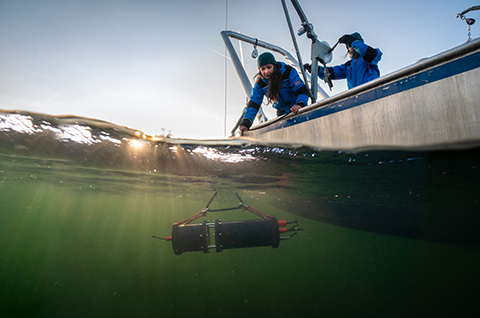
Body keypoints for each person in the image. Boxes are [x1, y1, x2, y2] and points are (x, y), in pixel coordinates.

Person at [239, 52, 309, 132]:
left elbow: (300, 88)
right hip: (282, 113)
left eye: (269, 67)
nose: (266, 71)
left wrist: (300, 103)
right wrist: (246, 122)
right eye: (263, 69)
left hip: (298, 108)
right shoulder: (260, 84)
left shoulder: (287, 71)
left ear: (274, 66)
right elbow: (254, 102)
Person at [305, 32, 382, 90]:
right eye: (348, 46)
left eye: (350, 45)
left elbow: (373, 54)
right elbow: (333, 72)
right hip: (355, 98)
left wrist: (352, 42)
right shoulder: (348, 65)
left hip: (371, 94)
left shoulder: (368, 59)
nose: (350, 48)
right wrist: (317, 69)